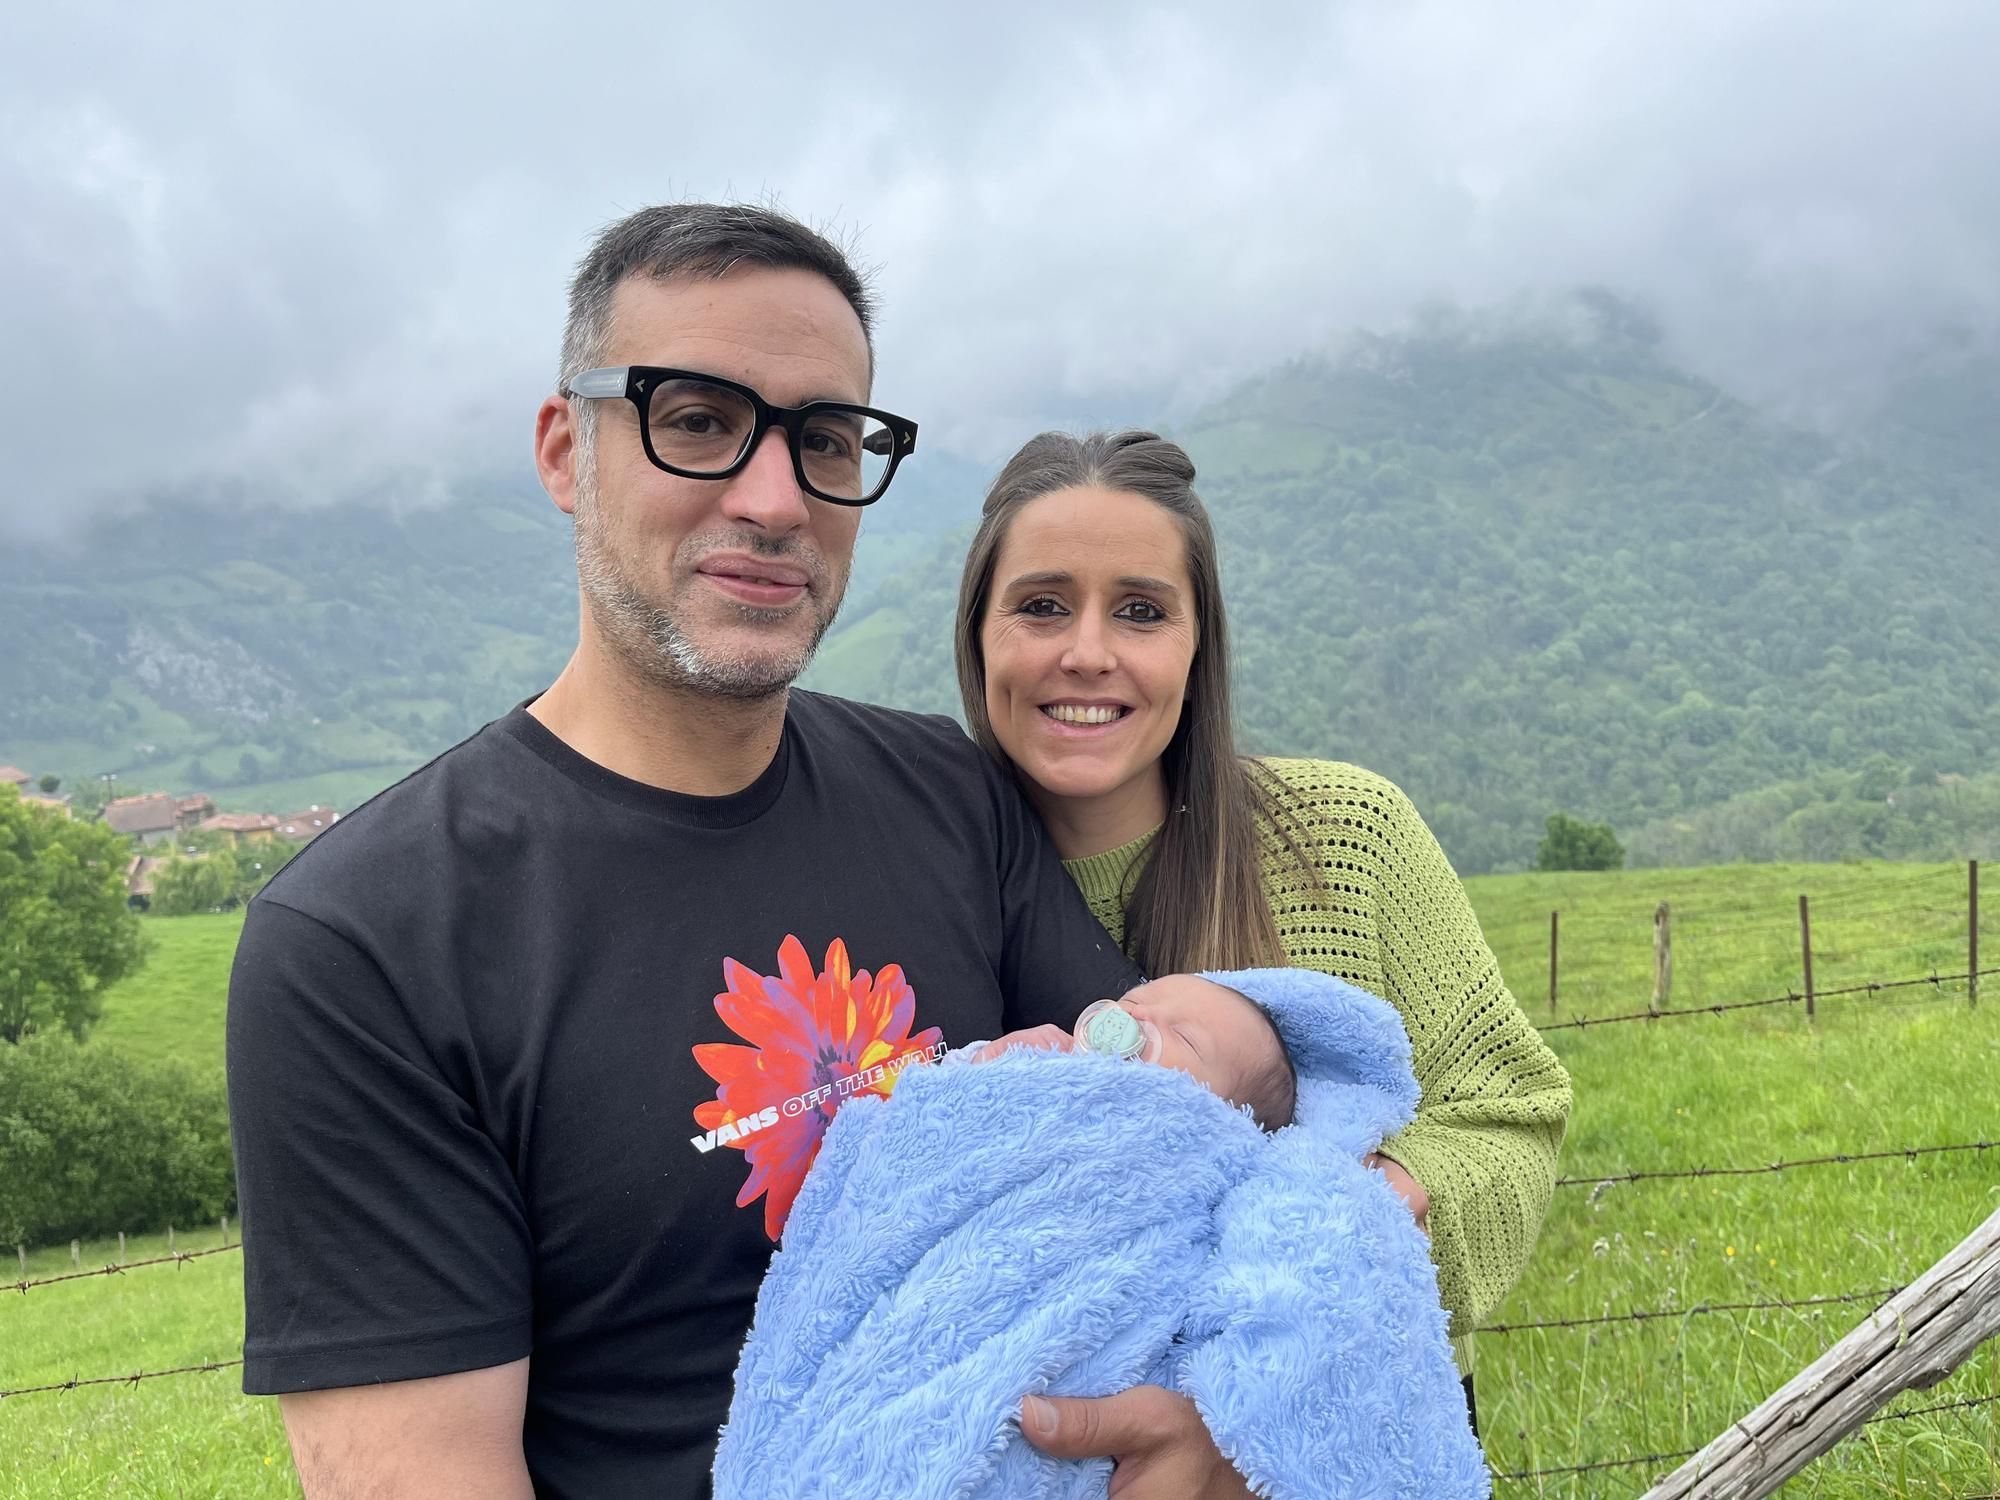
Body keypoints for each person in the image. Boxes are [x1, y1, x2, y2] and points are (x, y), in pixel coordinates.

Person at [225, 208, 1265, 1500]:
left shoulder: (948, 793)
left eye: (825, 439)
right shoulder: (368, 945)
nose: (775, 499)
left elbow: (1179, 1151)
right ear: (567, 451)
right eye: (698, 419)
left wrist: (1220, 1421)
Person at [953, 429, 1576, 1426]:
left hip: (1342, 1426)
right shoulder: (922, 879)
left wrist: (1325, 1251)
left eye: (1141, 612)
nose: (1086, 653)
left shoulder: (1344, 837)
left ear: (1198, 647)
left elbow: (1505, 1114)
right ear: (976, 634)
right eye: (1038, 606)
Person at [712, 967, 1491, 1499]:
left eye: (1179, 1038)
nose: (1135, 1020)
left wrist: (1232, 1430)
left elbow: (1319, 1287)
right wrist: (975, 1079)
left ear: (1238, 1119)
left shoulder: (1226, 1160)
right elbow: (894, 1169)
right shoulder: (1030, 1070)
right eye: (1135, 1000)